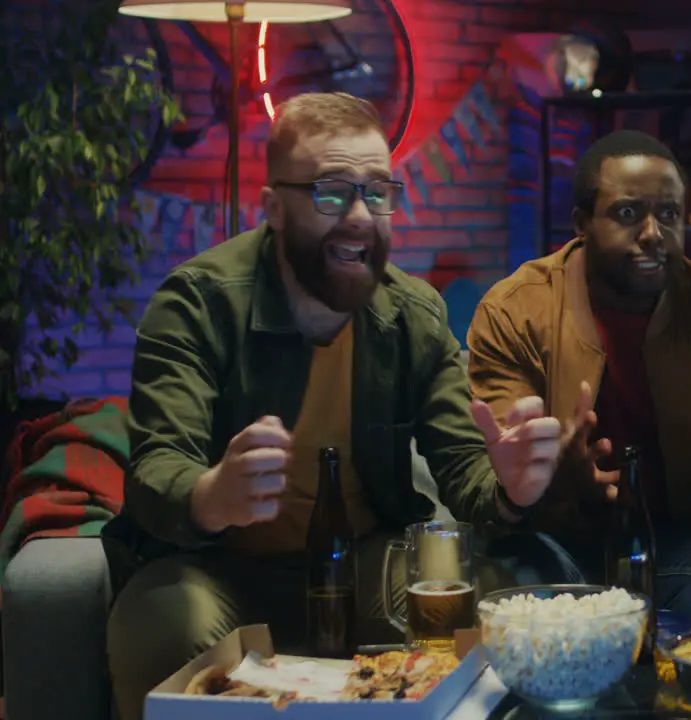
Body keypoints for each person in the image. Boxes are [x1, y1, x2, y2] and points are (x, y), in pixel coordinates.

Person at [105, 93, 562, 720]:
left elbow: (463, 469)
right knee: (159, 623)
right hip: (217, 570)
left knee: (499, 607)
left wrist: (511, 486)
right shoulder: (198, 302)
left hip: (367, 564)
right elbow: (156, 468)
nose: (359, 216)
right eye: (330, 193)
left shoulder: (412, 314)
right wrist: (213, 494)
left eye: (378, 192)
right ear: (273, 209)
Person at [466, 130, 691, 616]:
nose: (653, 233)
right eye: (627, 214)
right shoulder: (515, 311)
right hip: (555, 545)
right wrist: (557, 477)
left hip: (676, 545)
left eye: (668, 214)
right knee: (508, 592)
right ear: (582, 223)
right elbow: (495, 476)